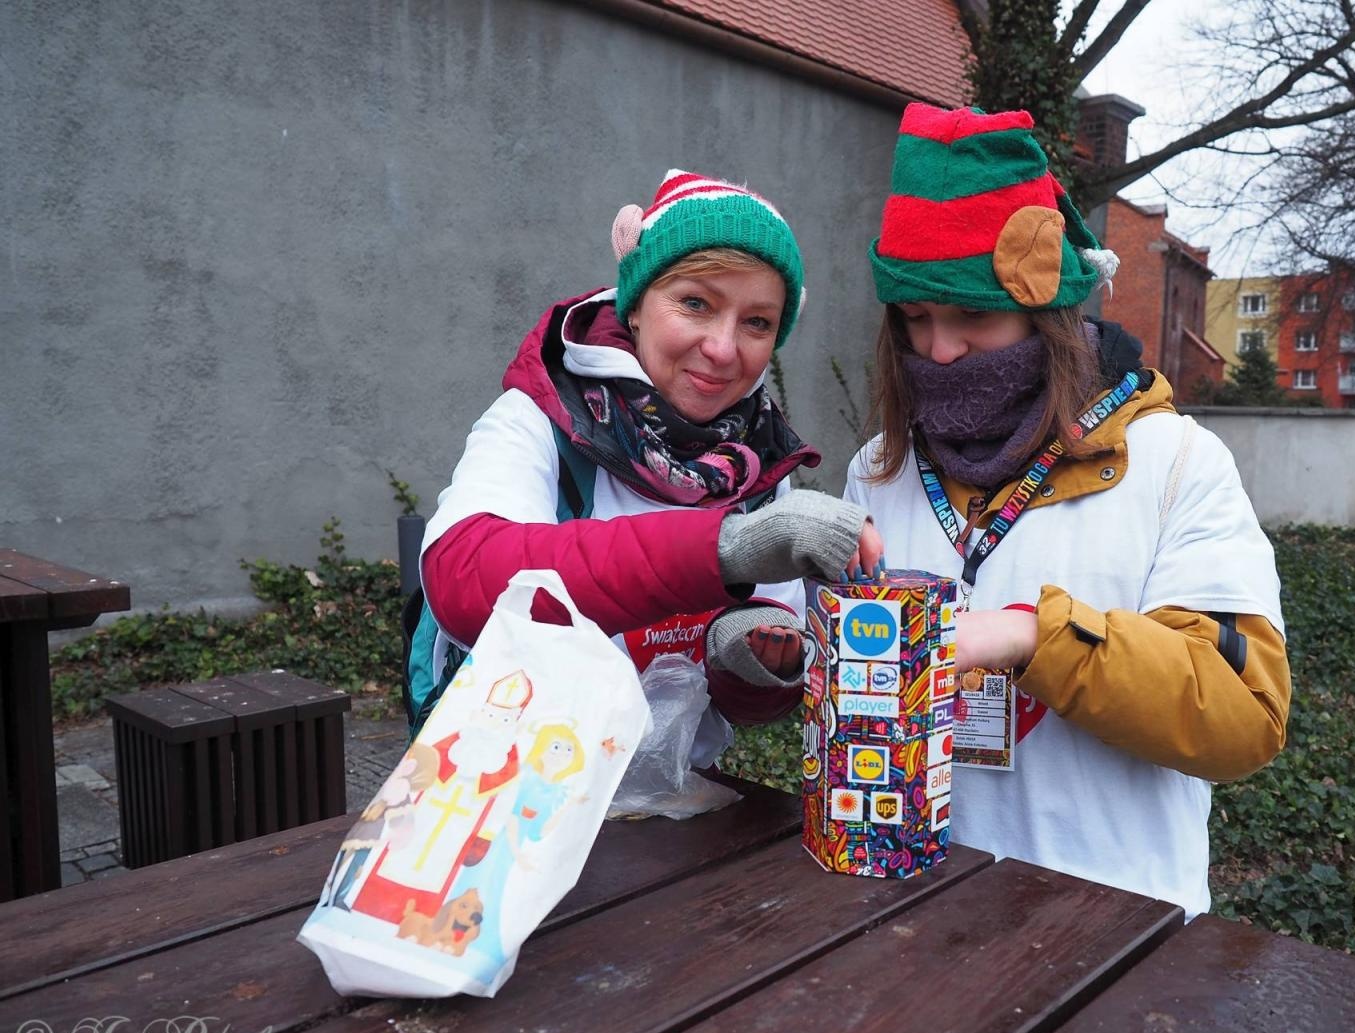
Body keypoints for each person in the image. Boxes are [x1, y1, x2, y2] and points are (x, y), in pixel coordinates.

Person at [844, 103, 1292, 919]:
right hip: (913, 919)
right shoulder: (879, 469)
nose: (938, 351)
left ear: (1044, 308)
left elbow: (1242, 717)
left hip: (1117, 938)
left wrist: (1031, 636)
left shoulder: (1174, 464)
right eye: (915, 318)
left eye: (971, 314)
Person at [420, 170, 883, 756]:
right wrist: (725, 548)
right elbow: (465, 580)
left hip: (676, 813)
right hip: (510, 803)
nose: (722, 348)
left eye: (757, 322)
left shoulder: (756, 460)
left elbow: (748, 700)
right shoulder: (540, 416)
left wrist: (748, 660)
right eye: (695, 303)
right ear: (635, 304)